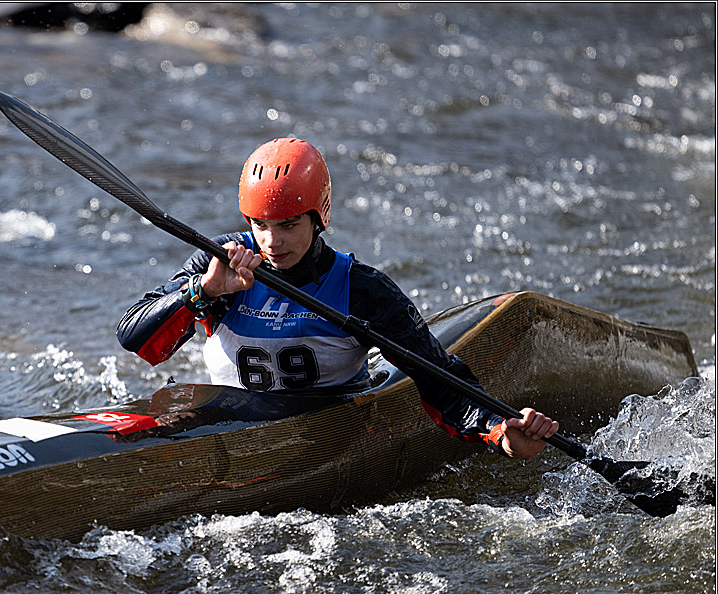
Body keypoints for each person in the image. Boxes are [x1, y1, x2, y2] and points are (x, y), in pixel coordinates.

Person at [117, 138, 558, 460]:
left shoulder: (361, 290)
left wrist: (501, 432)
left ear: (319, 216)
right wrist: (204, 292)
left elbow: (440, 378)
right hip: (233, 426)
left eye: (288, 225)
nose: (271, 241)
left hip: (324, 432)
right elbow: (134, 337)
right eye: (259, 224)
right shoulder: (220, 261)